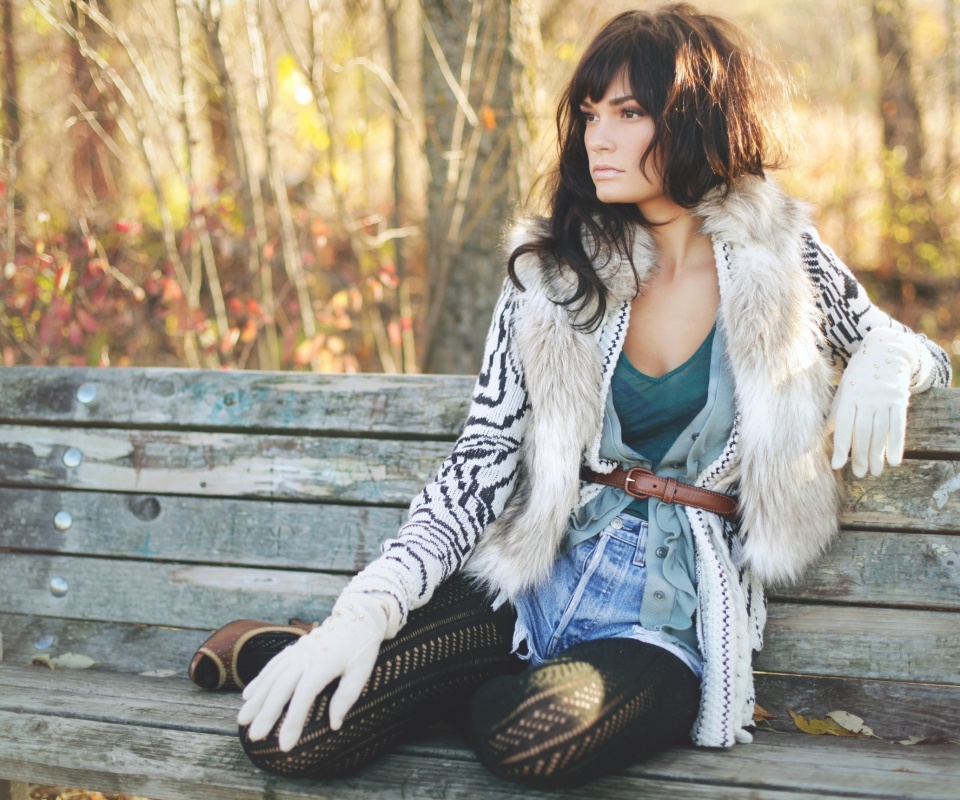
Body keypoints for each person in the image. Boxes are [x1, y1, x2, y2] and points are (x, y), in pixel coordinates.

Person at [189, 3, 952, 789]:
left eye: (628, 113)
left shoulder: (780, 260)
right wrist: (369, 611)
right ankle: (362, 657)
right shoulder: (553, 271)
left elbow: (918, 351)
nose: (598, 138)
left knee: (531, 741)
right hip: (530, 581)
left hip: (661, 620)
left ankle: (419, 685)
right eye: (590, 114)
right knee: (290, 739)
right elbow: (485, 453)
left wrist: (885, 362)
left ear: (696, 119)